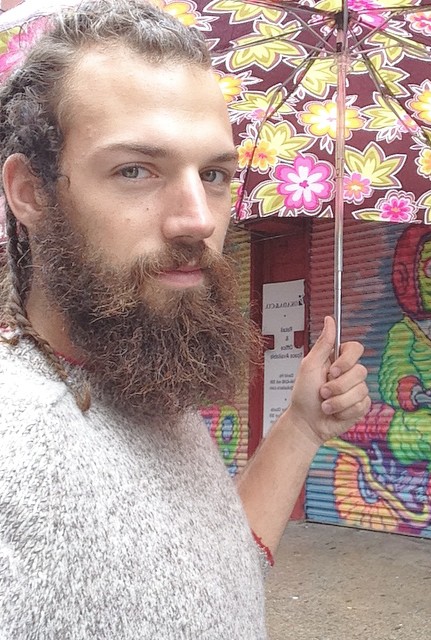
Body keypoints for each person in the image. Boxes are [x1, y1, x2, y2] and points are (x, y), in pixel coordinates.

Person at [0, 1, 371, 637]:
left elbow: (209, 570)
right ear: (30, 192)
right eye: (135, 170)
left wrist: (301, 427)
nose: (199, 220)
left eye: (215, 174)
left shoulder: (133, 382)